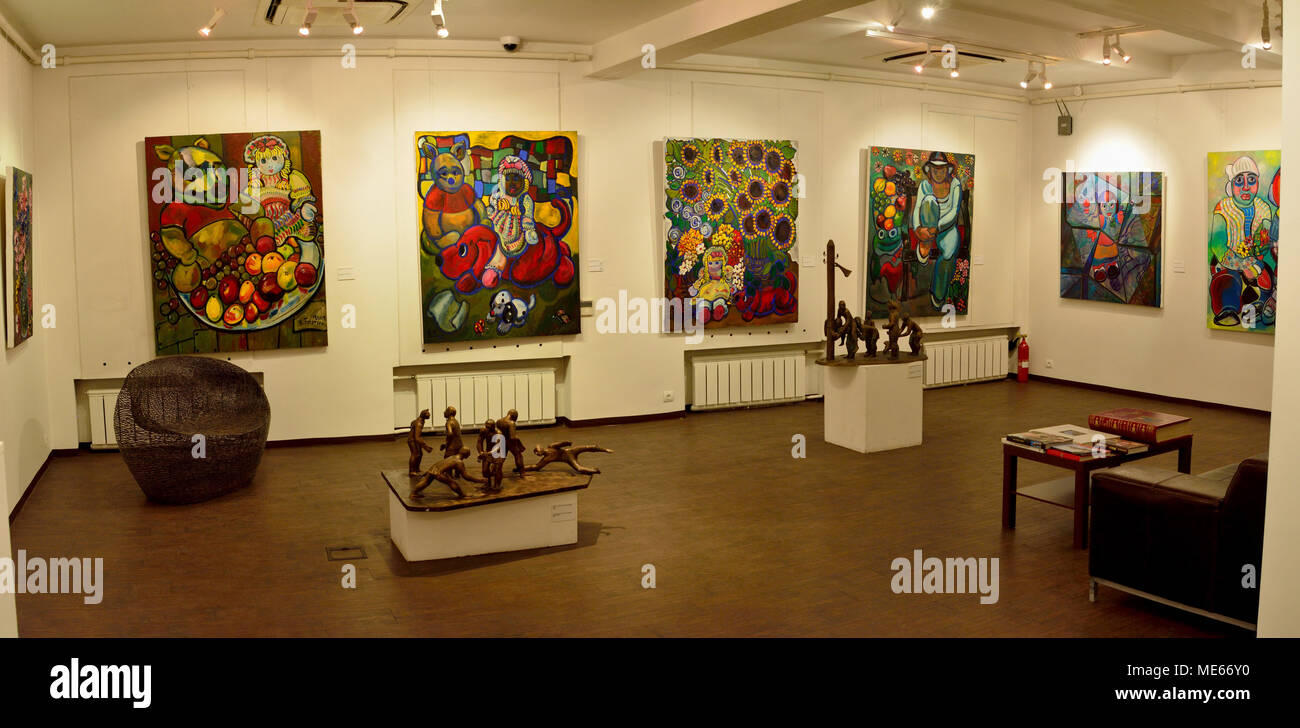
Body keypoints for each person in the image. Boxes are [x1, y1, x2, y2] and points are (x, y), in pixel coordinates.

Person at [1209, 155, 1276, 328]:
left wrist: (1255, 265)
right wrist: (1242, 265)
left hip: (1254, 261)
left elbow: (1264, 242)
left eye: (1251, 180)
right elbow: (1217, 245)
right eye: (1239, 180)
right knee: (1229, 280)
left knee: (1266, 277)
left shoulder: (1263, 208)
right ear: (1232, 184)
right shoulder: (1223, 208)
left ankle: (1261, 305)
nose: (1246, 187)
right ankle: (1228, 309)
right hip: (1226, 261)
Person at [911, 152, 964, 308]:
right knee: (928, 200)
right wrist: (918, 229)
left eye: (942, 170)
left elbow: (954, 212)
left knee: (948, 253)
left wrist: (938, 227)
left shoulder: (955, 185)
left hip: (946, 228)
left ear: (947, 170)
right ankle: (925, 243)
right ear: (929, 170)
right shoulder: (925, 185)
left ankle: (938, 293)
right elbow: (918, 208)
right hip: (927, 225)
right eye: (935, 170)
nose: (939, 174)